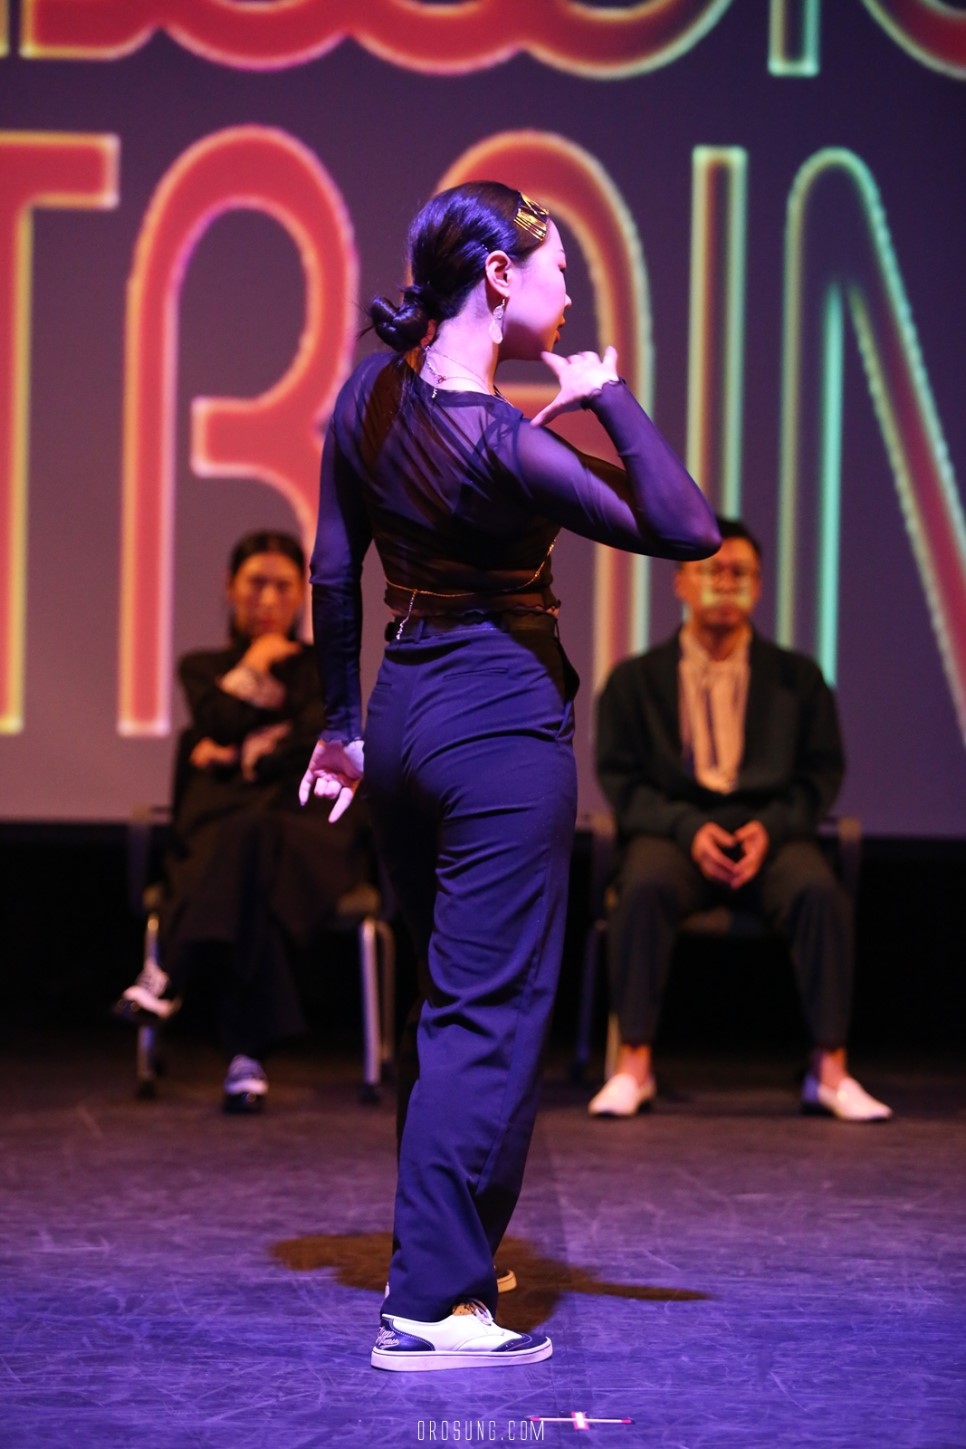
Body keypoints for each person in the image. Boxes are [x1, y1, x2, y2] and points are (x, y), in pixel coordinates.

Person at [298, 180, 719, 1371]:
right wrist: (607, 396)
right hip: (497, 729)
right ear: (496, 275)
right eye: (558, 269)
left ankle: (443, 1257)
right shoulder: (505, 441)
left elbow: (334, 570)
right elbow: (687, 527)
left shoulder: (369, 394)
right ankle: (433, 1305)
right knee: (487, 1014)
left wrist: (345, 726)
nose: (569, 291)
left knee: (448, 1008)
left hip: (404, 717)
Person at [589, 516, 892, 1123]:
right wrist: (686, 829)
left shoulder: (799, 680)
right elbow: (621, 779)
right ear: (680, 581)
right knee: (642, 888)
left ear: (758, 586)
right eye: (712, 571)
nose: (725, 584)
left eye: (740, 573)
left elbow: (820, 774)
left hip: (768, 831)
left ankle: (830, 1070)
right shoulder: (634, 681)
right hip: (676, 831)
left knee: (818, 893)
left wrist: (770, 830)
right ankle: (634, 1065)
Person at [113, 530, 369, 1112]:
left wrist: (243, 755)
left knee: (251, 841)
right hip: (231, 846)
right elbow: (217, 720)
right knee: (250, 876)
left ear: (301, 597)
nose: (268, 599)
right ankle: (246, 1059)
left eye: (283, 586)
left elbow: (317, 740)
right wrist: (254, 666)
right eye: (255, 584)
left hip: (309, 838)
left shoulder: (322, 667)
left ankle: (168, 972)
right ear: (229, 588)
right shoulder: (202, 667)